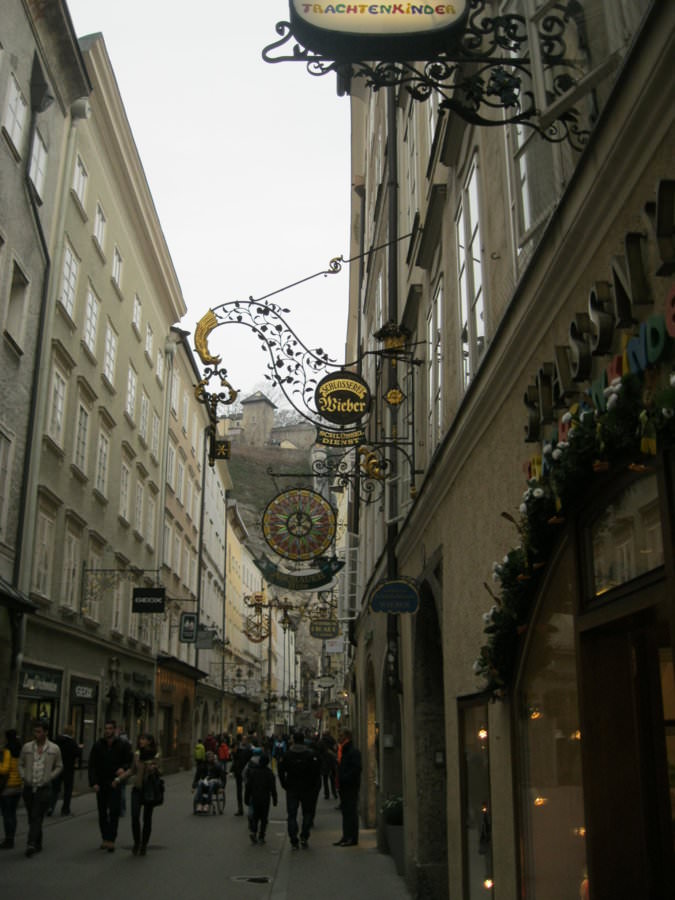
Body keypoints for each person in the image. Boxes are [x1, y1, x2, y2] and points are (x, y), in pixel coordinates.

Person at [18, 719, 63, 857]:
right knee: (32, 817)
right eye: (35, 731)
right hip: (29, 787)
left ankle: (30, 844)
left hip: (44, 788)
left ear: (46, 732)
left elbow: (59, 766)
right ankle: (38, 842)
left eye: (39, 731)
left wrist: (50, 777)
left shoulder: (54, 748)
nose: (36, 734)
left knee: (36, 815)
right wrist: (24, 776)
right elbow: (20, 764)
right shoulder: (27, 747)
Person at [88, 719, 133, 851]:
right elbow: (92, 765)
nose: (108, 731)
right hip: (101, 782)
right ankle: (105, 838)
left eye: (110, 728)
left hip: (115, 782)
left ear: (115, 730)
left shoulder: (122, 745)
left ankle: (111, 839)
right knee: (102, 812)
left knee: (114, 811)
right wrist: (93, 782)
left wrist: (123, 768)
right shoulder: (98, 745)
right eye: (106, 728)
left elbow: (129, 761)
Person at [278, 731, 321, 850]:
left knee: (292, 814)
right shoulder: (310, 755)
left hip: (292, 787)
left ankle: (293, 839)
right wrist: (313, 784)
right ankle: (304, 836)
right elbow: (316, 772)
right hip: (307, 788)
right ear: (303, 741)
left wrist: (284, 784)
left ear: (293, 741)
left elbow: (281, 770)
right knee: (307, 812)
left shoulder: (287, 755)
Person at [128, 733, 161, 855]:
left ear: (149, 741)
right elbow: (132, 770)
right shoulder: (137, 754)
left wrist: (154, 769)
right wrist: (118, 779)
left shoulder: (156, 755)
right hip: (137, 789)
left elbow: (161, 770)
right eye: (140, 739)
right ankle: (137, 842)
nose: (140, 741)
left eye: (143, 739)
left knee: (147, 818)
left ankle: (144, 844)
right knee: (134, 816)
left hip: (149, 789)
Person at [333, 729, 362, 847]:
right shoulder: (343, 750)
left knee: (351, 812)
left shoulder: (353, 752)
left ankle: (352, 838)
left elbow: (356, 769)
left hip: (350, 786)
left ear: (347, 737)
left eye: (341, 735)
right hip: (344, 786)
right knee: (346, 812)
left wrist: (344, 778)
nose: (338, 737)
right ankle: (346, 836)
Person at [244, 752, 277, 844]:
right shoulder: (269, 773)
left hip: (255, 797)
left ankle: (254, 832)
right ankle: (262, 835)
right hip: (265, 798)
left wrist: (246, 798)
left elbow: (248, 786)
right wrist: (275, 799)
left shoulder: (254, 772)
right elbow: (273, 788)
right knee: (264, 818)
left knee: (255, 816)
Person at [50, 724, 82, 816]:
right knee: (68, 790)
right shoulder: (72, 743)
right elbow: (77, 753)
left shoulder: (57, 741)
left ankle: (50, 807)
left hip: (57, 768)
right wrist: (79, 748)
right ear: (72, 733)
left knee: (55, 789)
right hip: (68, 769)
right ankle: (65, 809)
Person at [0, 729, 23, 849]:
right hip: (17, 786)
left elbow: (4, 769)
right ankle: (11, 837)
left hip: (7, 787)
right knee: (13, 814)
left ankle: (8, 839)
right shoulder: (20, 750)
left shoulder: (7, 751)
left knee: (7, 814)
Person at [231, 734, 252, 816]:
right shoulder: (238, 748)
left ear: (247, 741)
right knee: (239, 791)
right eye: (243, 739)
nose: (244, 741)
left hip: (247, 772)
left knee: (248, 790)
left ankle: (250, 808)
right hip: (239, 771)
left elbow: (250, 760)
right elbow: (235, 760)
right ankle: (240, 809)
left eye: (245, 739)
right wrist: (232, 770)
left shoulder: (249, 749)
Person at [318, 731, 338, 800]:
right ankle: (334, 793)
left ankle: (327, 794)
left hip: (325, 762)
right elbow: (336, 749)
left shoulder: (321, 742)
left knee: (325, 779)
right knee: (332, 778)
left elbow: (319, 752)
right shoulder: (333, 740)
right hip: (332, 762)